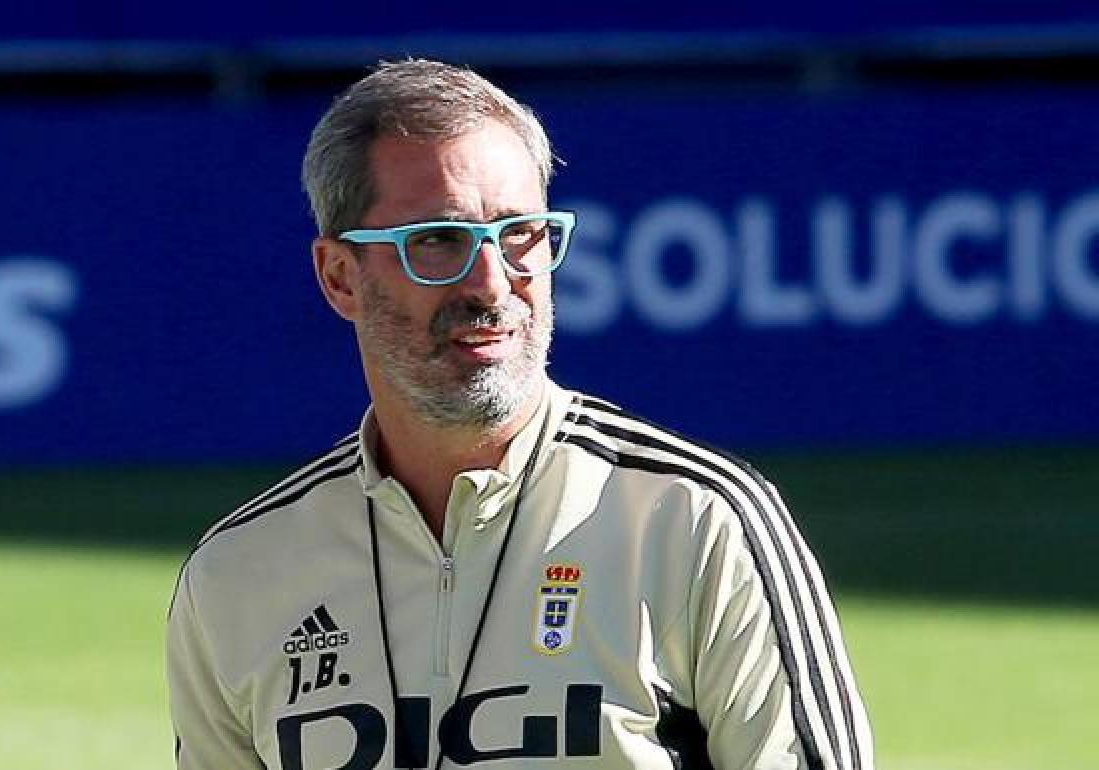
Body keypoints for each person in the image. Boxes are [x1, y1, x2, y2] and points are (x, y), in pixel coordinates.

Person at [167, 58, 874, 770]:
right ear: (339, 276)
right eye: (437, 240)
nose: (490, 281)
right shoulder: (236, 576)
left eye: (519, 234)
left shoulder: (691, 521)